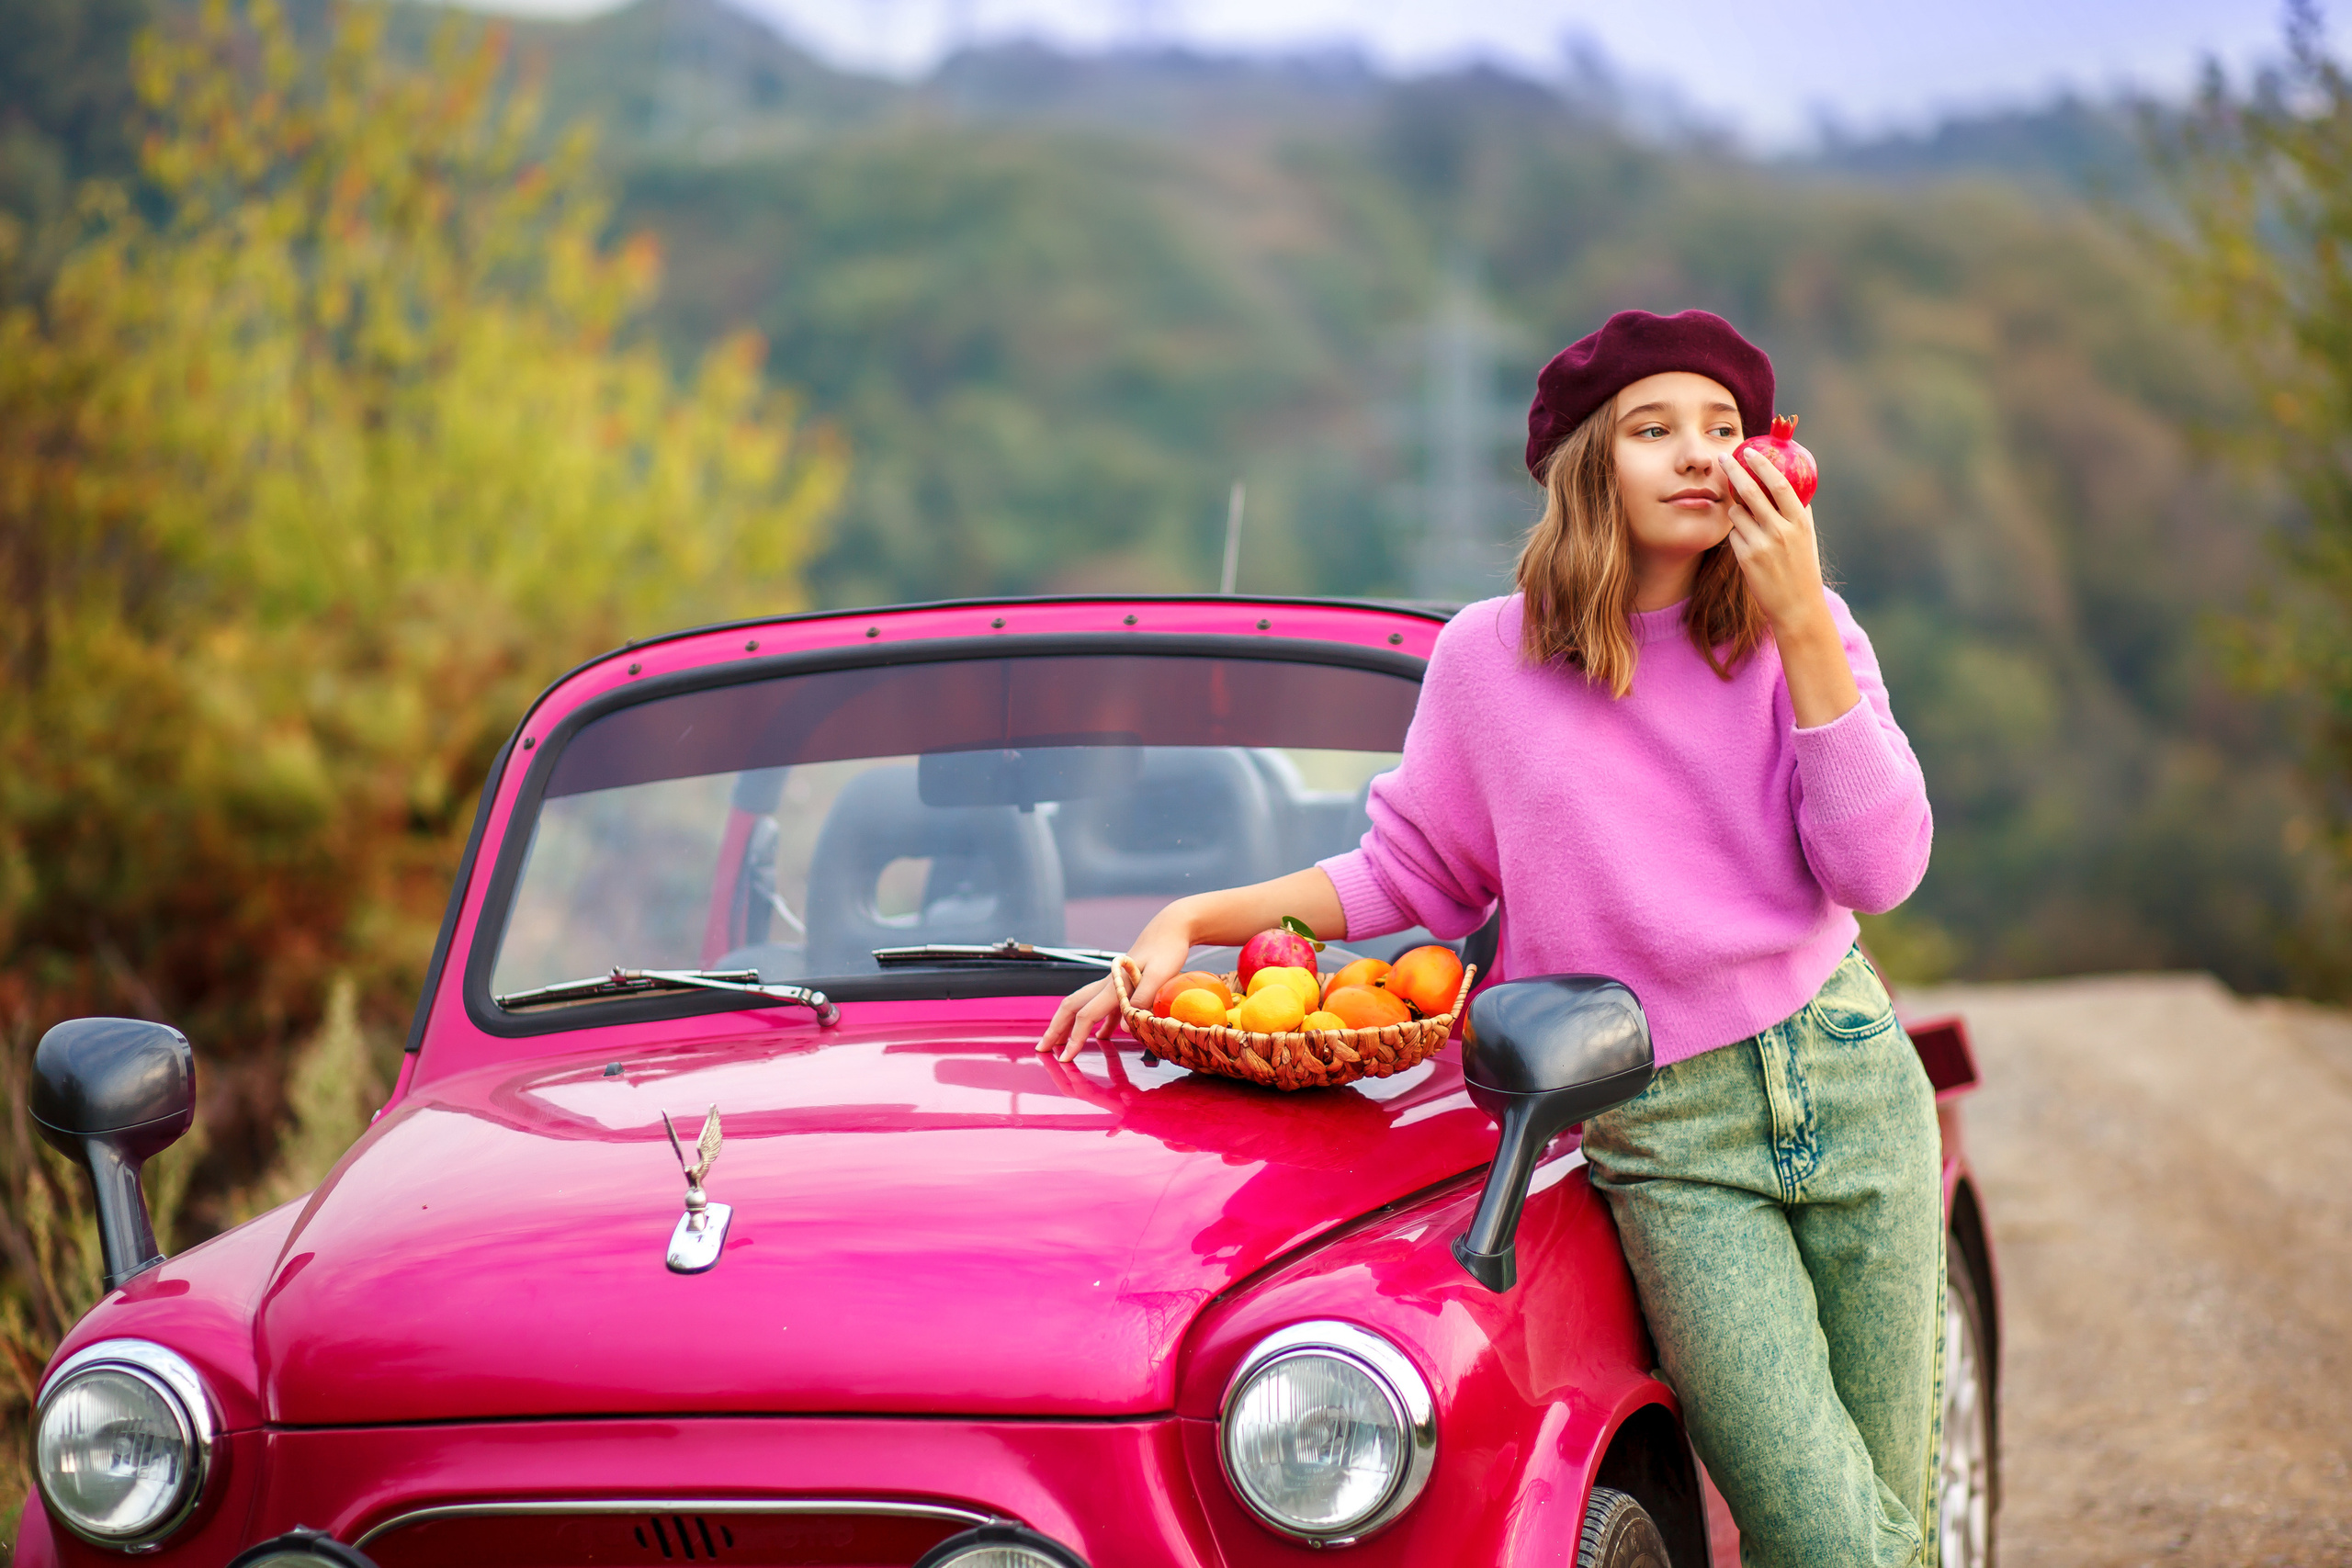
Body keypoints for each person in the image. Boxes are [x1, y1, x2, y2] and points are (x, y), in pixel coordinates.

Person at [1037, 307, 1941, 1568]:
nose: (1696, 454)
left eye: (1723, 429)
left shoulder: (1810, 634)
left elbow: (1880, 868)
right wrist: (1196, 918)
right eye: (1654, 428)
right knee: (1829, 1533)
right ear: (1587, 464)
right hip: (1665, 1128)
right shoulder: (1491, 660)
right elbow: (1412, 872)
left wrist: (1800, 628)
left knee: (1890, 1514)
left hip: (1849, 1074)